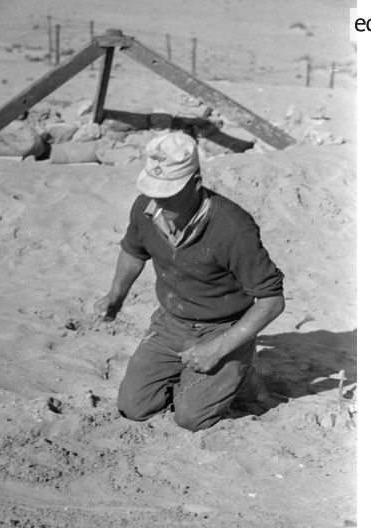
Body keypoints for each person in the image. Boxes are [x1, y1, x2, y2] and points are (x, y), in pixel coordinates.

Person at [94, 131, 285, 432]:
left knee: (190, 419)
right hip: (171, 322)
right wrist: (114, 296)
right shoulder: (145, 208)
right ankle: (203, 377)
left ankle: (241, 365)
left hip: (221, 327)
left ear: (195, 183)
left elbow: (272, 301)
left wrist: (219, 348)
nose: (159, 201)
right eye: (154, 190)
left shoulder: (234, 228)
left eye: (168, 193)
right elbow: (133, 251)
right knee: (134, 407)